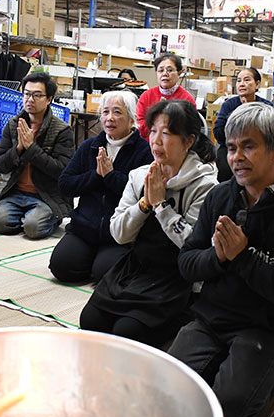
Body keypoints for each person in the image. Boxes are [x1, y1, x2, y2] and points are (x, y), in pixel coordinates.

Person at [167, 102, 274, 417]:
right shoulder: (220, 197)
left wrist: (243, 257)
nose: (237, 157)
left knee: (233, 407)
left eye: (249, 146)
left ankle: (271, 369)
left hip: (268, 328)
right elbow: (186, 263)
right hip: (211, 318)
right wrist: (219, 256)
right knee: (168, 388)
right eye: (231, 148)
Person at [79, 99, 218, 347]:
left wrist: (162, 206)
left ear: (189, 141)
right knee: (90, 321)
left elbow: (195, 245)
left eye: (166, 133)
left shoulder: (205, 185)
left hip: (177, 276)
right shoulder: (140, 176)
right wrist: (144, 203)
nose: (156, 141)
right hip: (137, 267)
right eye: (153, 131)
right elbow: (118, 233)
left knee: (126, 332)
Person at [49, 90, 153, 283]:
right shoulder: (90, 146)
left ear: (132, 119)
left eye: (117, 112)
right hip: (84, 228)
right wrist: (96, 176)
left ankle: (100, 263)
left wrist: (111, 176)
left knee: (104, 275)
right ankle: (91, 260)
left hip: (119, 234)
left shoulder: (144, 151)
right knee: (61, 267)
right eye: (105, 112)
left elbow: (143, 195)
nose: (109, 118)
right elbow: (65, 185)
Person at [0, 72, 74, 239]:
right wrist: (18, 149)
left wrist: (31, 148)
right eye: (27, 94)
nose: (30, 99)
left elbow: (62, 171)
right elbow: (0, 165)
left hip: (46, 195)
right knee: (0, 223)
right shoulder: (14, 125)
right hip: (16, 193)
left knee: (33, 228)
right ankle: (28, 216)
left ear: (49, 99)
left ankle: (49, 217)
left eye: (37, 95)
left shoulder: (62, 130)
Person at [213, 67, 273, 181]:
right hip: (231, 147)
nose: (241, 84)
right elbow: (218, 132)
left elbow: (269, 134)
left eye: (246, 80)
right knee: (225, 167)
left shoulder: (265, 106)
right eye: (239, 81)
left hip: (256, 148)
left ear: (257, 84)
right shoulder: (229, 104)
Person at [136, 53, 196, 140]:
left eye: (170, 70)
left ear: (179, 73)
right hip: (148, 144)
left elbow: (190, 128)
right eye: (160, 70)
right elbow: (139, 126)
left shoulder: (187, 99)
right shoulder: (146, 96)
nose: (165, 74)